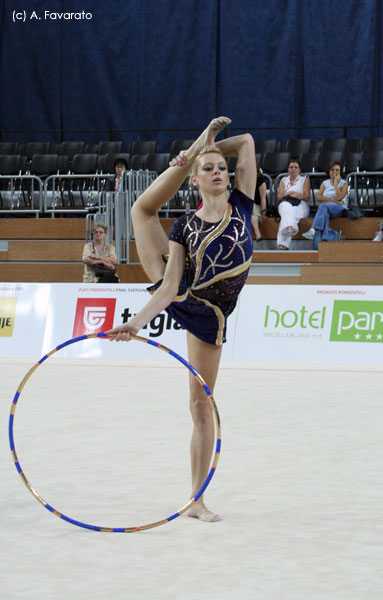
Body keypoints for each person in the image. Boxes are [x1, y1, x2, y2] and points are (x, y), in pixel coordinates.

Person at [107, 117, 256, 522]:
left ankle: (196, 501)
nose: (219, 173)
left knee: (199, 405)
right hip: (181, 290)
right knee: (141, 210)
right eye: (207, 170)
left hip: (209, 315)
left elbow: (244, 142)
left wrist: (210, 146)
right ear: (195, 180)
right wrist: (136, 322)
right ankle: (198, 501)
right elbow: (170, 286)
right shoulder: (184, 225)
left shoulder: (242, 203)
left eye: (221, 169)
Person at [303, 161, 348, 241]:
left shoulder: (344, 183)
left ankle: (313, 230)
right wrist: (332, 200)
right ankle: (325, 238)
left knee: (323, 206)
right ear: (329, 171)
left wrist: (335, 184)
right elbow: (319, 198)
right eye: (332, 170)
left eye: (337, 170)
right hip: (327, 207)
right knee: (325, 213)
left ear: (340, 172)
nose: (334, 172)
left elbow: (339, 197)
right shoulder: (324, 183)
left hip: (339, 208)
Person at [276, 159, 310, 250]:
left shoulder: (304, 180)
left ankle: (283, 244)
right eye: (291, 167)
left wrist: (296, 194)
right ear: (288, 169)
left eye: (295, 167)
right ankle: (290, 227)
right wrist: (288, 194)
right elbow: (279, 197)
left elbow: (307, 197)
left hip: (300, 204)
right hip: (286, 203)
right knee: (285, 206)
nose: (293, 169)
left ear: (299, 170)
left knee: (288, 215)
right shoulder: (283, 180)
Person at [251, 165, 267, 244]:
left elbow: (263, 198)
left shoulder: (260, 179)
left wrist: (264, 213)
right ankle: (258, 235)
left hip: (258, 205)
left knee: (253, 209)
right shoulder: (243, 180)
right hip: (247, 205)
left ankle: (258, 235)